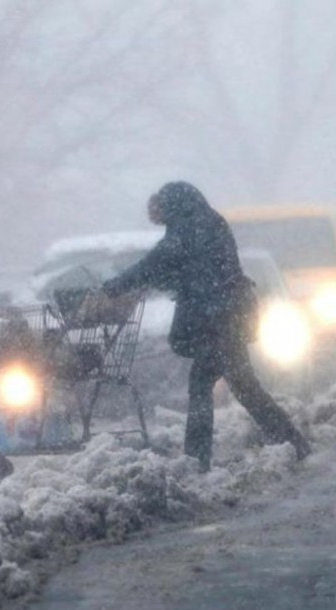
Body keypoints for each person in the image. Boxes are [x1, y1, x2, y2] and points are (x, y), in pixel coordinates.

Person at [95, 182, 311, 471]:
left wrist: (115, 287)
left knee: (206, 387)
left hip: (217, 322)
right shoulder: (205, 221)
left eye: (159, 214)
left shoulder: (188, 228)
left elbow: (156, 262)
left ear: (170, 206)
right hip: (227, 318)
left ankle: (198, 459)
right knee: (243, 387)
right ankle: (290, 441)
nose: (159, 221)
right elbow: (188, 269)